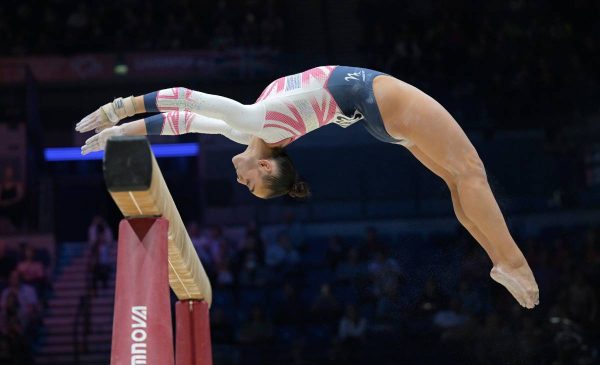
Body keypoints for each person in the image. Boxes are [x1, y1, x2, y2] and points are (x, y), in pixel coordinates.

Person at [76, 65, 539, 308]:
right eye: (253, 186)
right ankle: (512, 262)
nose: (242, 181)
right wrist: (119, 110)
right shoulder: (255, 123)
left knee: (456, 180)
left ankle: (501, 261)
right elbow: (186, 100)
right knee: (469, 172)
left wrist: (120, 128)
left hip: (373, 110)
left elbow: (183, 121)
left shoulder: (247, 131)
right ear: (268, 167)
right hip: (376, 95)